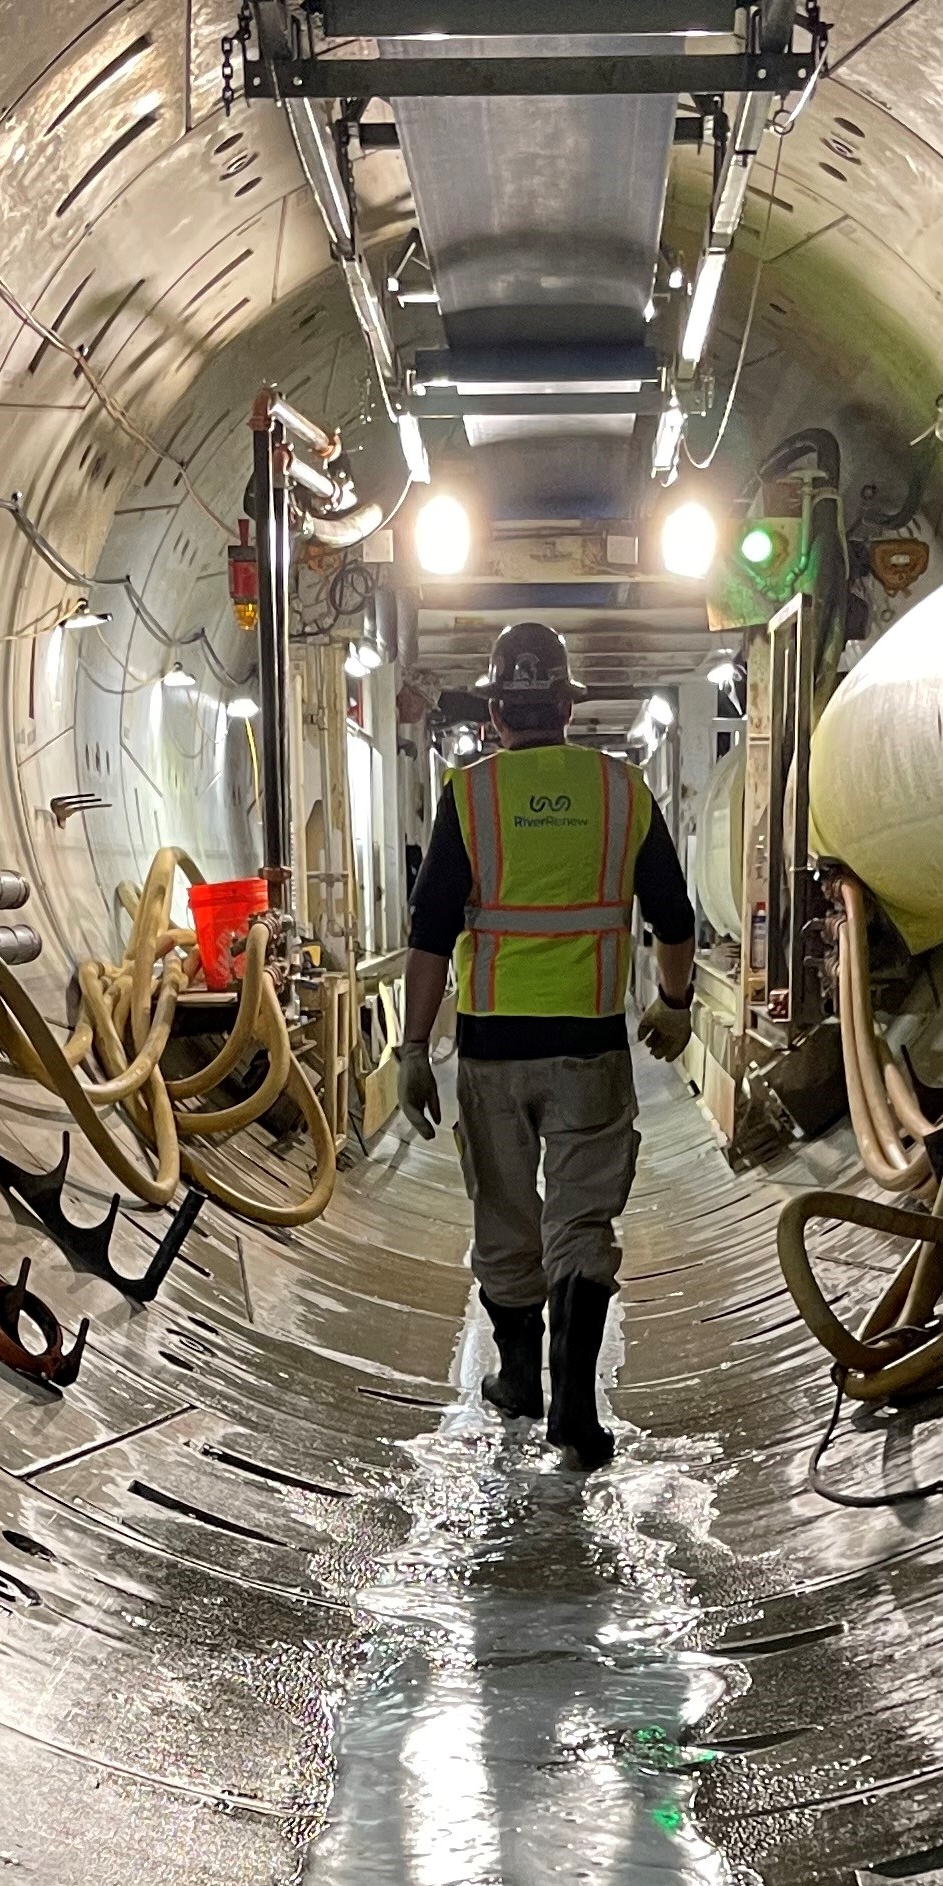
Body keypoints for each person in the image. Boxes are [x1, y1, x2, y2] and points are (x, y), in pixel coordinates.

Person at [396, 624, 698, 1470]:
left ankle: (520, 1383)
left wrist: (414, 1048)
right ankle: (574, 1408)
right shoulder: (622, 792)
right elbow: (677, 921)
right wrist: (675, 1004)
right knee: (582, 1219)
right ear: (569, 706)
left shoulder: (470, 796)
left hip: (491, 1052)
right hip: (591, 1049)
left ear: (494, 713)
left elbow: (428, 936)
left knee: (505, 1217)